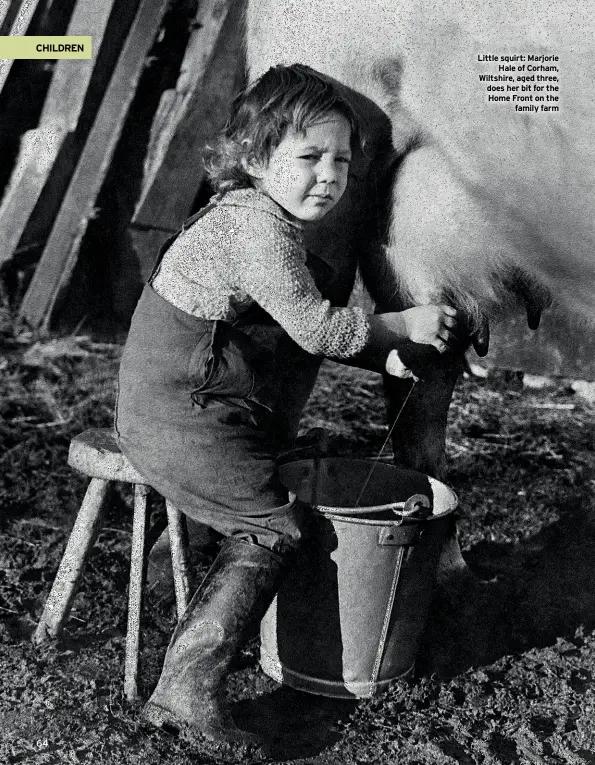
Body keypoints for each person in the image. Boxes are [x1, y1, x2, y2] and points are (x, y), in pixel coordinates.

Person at [115, 63, 459, 755]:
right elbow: (316, 329)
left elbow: (298, 323)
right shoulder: (256, 231)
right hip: (178, 414)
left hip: (199, 405)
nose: (327, 176)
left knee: (290, 476)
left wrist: (381, 358)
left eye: (341, 161)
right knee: (275, 524)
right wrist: (402, 325)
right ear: (251, 158)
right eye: (307, 158)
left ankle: (209, 620)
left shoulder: (263, 224)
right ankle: (183, 692)